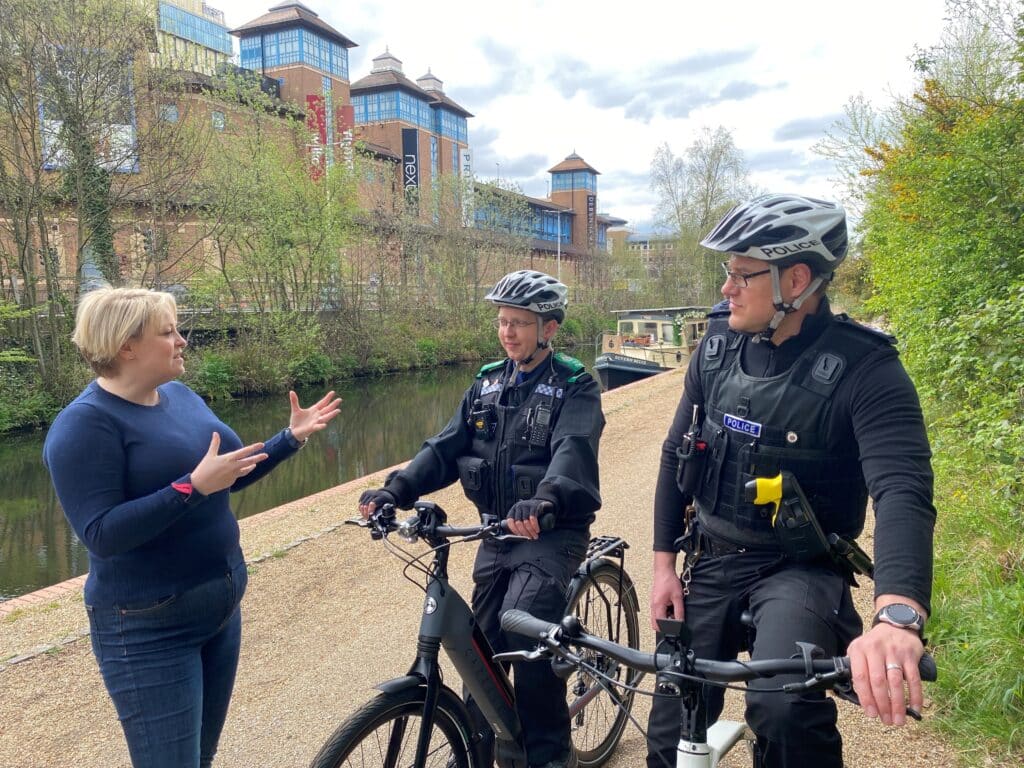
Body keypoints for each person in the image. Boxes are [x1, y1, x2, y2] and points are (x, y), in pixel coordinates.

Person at [646, 194, 936, 768]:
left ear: (796, 279)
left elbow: (903, 488)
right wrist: (662, 567)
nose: (726, 287)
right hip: (713, 558)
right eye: (727, 272)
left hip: (800, 569)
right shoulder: (716, 350)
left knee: (784, 711)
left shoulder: (867, 369)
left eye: (741, 273)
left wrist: (898, 615)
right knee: (670, 722)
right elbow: (675, 452)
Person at [43, 287, 341, 768]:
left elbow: (230, 472)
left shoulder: (180, 396)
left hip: (220, 614)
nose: (182, 340)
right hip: (148, 628)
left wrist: (290, 440)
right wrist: (191, 487)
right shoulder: (83, 426)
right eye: (168, 332)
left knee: (200, 758)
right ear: (126, 346)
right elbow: (100, 534)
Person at [359, 269, 604, 768]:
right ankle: (484, 750)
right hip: (494, 533)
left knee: (525, 640)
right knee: (477, 653)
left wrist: (546, 497)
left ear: (548, 329)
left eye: (519, 323)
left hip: (549, 536)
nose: (507, 332)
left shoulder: (575, 384)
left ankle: (550, 759)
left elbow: (573, 449)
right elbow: (446, 449)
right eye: (501, 322)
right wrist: (396, 489)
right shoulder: (487, 383)